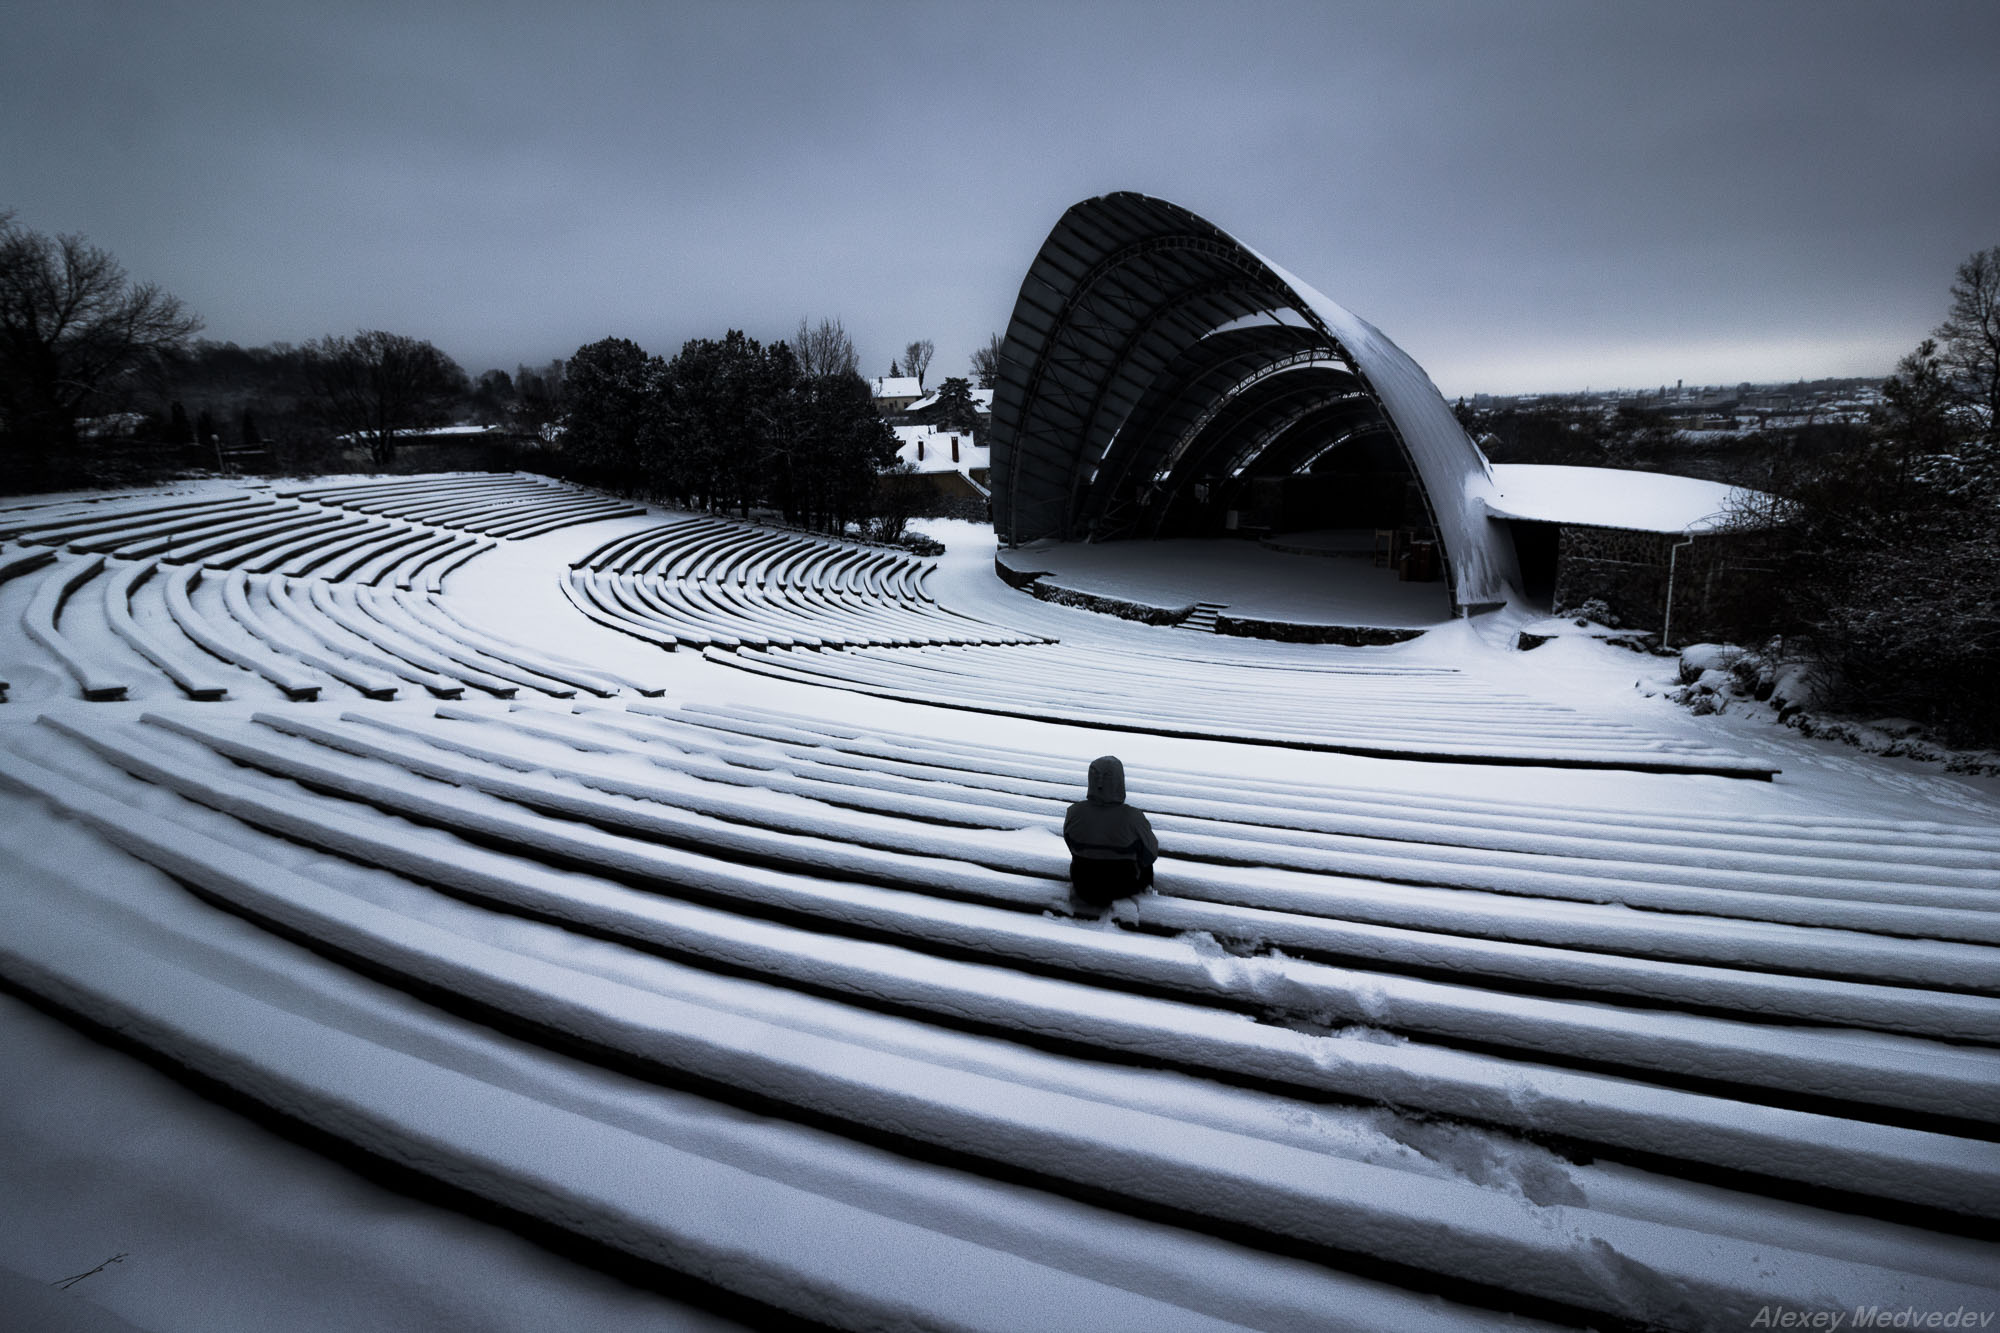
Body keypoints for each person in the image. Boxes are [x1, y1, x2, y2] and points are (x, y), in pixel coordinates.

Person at [1063, 755, 1158, 907]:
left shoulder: (1074, 812)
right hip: (1123, 887)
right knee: (1143, 853)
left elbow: (1071, 845)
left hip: (1083, 885)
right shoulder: (1133, 817)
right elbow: (1151, 854)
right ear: (1119, 781)